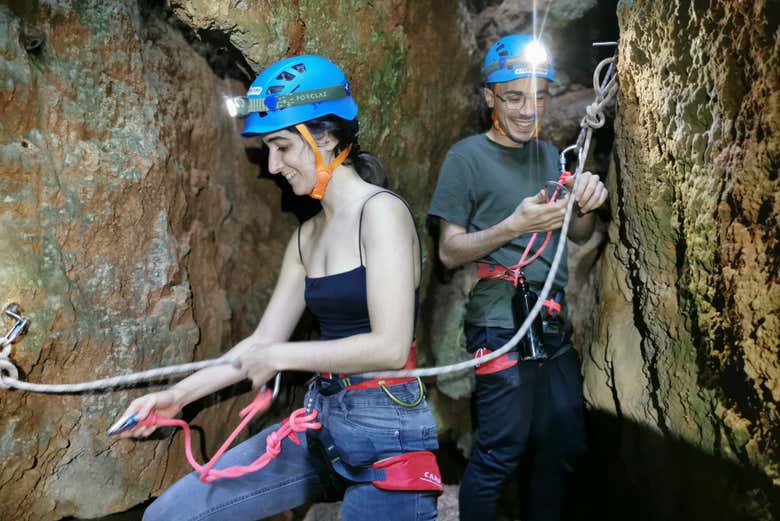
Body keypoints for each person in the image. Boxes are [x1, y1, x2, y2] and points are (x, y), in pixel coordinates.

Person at [116, 54, 441, 521]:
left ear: (325, 136)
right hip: (323, 419)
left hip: (387, 426)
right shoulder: (306, 237)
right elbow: (263, 343)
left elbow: (389, 347)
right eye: (268, 148)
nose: (272, 165)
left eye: (283, 146)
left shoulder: (382, 213)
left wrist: (280, 358)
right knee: (170, 515)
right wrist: (177, 397)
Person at [427, 34, 608, 521]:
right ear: (490, 96)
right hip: (499, 320)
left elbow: (577, 231)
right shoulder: (466, 159)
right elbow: (447, 251)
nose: (529, 111)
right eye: (514, 98)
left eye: (539, 97)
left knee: (564, 444)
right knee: (502, 449)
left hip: (552, 320)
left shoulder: (552, 157)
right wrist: (512, 226)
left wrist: (587, 200)